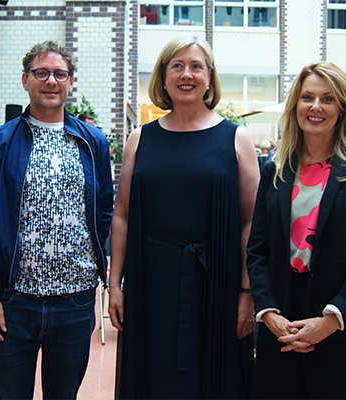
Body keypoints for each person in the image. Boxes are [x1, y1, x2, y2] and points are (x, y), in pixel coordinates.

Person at [108, 35, 258, 399]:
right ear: (163, 77)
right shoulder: (138, 139)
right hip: (150, 284)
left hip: (216, 286)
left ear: (210, 76)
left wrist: (246, 293)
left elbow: (250, 224)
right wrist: (115, 285)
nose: (186, 74)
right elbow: (123, 215)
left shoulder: (237, 139)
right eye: (177, 66)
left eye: (195, 66)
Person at [0, 40, 112, 400]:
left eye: (59, 74)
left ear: (71, 82)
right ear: (25, 80)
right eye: (42, 73)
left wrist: (106, 273)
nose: (51, 81)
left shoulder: (92, 142)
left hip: (75, 301)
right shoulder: (0, 142)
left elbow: (105, 212)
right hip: (14, 301)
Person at [246, 61, 346, 399]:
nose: (315, 107)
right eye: (307, 97)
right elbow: (258, 250)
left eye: (327, 99)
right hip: (279, 324)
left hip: (341, 323)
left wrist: (329, 321)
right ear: (295, 104)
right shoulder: (274, 171)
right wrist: (268, 313)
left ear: (341, 109)